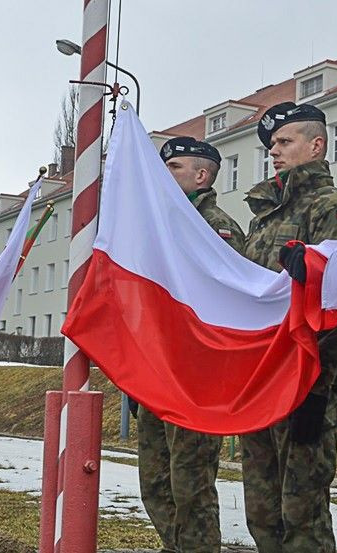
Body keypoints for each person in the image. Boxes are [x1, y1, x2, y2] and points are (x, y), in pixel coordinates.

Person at [239, 102, 337, 553]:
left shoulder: (332, 208)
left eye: (285, 142)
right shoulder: (264, 214)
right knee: (262, 511)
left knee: (302, 514)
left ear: (317, 145)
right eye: (272, 145)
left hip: (304, 382)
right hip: (262, 379)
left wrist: (316, 388)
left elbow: (335, 304)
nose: (275, 152)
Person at [137, 136, 245, 553]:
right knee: (155, 480)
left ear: (201, 175)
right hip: (158, 373)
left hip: (197, 379)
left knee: (191, 485)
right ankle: (176, 546)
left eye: (173, 168)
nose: (163, 176)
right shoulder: (160, 227)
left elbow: (226, 305)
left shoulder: (217, 227)